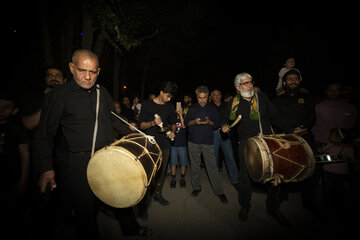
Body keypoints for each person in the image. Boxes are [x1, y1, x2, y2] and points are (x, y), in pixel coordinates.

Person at [32, 49, 152, 239]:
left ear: (98, 71)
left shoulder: (101, 92)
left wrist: (138, 134)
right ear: (72, 68)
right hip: (81, 162)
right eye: (82, 70)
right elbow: (43, 135)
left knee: (120, 196)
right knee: (85, 212)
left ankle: (131, 230)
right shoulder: (59, 95)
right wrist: (46, 167)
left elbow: (114, 119)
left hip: (108, 155)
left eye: (93, 72)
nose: (87, 77)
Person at [221, 72, 295, 227]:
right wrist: (224, 126)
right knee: (245, 177)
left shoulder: (262, 98)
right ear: (237, 87)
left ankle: (273, 208)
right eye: (246, 83)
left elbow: (276, 117)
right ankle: (245, 205)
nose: (250, 85)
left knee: (274, 175)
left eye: (251, 82)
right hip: (247, 144)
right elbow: (226, 119)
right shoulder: (233, 103)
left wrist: (291, 131)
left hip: (268, 142)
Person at [272, 69, 320, 214]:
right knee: (283, 168)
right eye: (290, 79)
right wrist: (291, 130)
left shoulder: (308, 98)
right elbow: (275, 118)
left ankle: (308, 201)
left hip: (305, 137)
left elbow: (312, 116)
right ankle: (279, 199)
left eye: (295, 79)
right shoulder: (278, 100)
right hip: (286, 138)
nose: (293, 81)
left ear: (299, 81)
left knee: (311, 169)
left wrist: (302, 127)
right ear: (285, 83)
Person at [185, 85, 228, 204]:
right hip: (193, 141)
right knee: (195, 166)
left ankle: (219, 191)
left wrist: (209, 122)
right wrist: (195, 121)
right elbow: (187, 123)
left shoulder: (212, 108)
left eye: (204, 98)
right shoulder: (192, 108)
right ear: (197, 97)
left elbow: (216, 124)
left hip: (208, 142)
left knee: (212, 167)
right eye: (200, 98)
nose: (202, 100)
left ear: (207, 97)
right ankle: (196, 187)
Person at [138, 81, 178, 206]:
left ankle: (158, 194)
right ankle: (143, 201)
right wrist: (153, 123)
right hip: (150, 144)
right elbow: (141, 125)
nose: (169, 99)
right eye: (167, 96)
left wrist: (172, 132)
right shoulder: (147, 104)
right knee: (147, 173)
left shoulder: (170, 106)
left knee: (161, 172)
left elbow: (173, 124)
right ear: (161, 92)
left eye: (171, 97)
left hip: (165, 145)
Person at [1, 89, 31, 238]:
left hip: (12, 180)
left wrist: (23, 181)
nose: (1, 110)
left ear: (14, 110)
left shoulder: (17, 129)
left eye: (7, 107)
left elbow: (25, 154)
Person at [311, 82, 358, 150]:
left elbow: (352, 127)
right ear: (326, 92)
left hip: (342, 145)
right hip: (321, 143)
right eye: (330, 90)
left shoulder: (350, 108)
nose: (333, 93)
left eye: (336, 90)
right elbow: (311, 123)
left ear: (341, 91)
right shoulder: (318, 107)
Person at [210, 89, 238, 189]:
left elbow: (232, 118)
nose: (216, 96)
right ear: (211, 97)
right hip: (214, 133)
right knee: (215, 158)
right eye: (214, 95)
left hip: (226, 133)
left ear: (221, 96)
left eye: (218, 94)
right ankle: (216, 181)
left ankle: (235, 180)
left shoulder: (227, 105)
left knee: (230, 157)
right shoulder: (209, 107)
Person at [170, 105, 188, 188]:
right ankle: (173, 178)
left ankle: (182, 178)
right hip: (173, 145)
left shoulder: (184, 119)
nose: (178, 109)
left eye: (180, 108)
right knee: (173, 163)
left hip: (182, 145)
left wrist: (181, 115)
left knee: (183, 163)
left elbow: (184, 126)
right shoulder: (172, 119)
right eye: (177, 108)